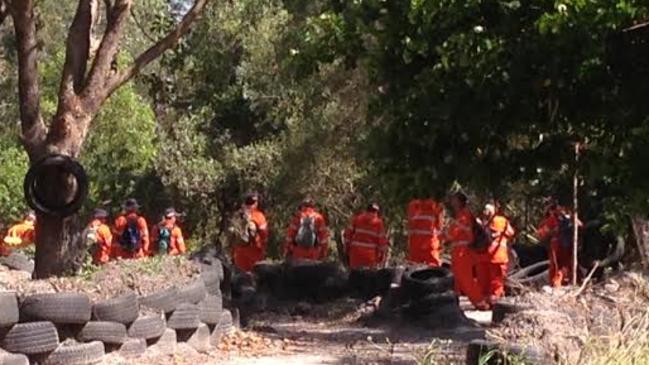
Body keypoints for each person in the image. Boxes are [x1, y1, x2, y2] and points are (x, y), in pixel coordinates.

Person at [441, 192, 490, 310]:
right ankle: (454, 302)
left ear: (459, 202)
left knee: (465, 278)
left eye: (454, 199)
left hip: (463, 252)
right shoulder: (462, 215)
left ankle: (480, 302)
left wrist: (440, 237)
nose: (452, 202)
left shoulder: (463, 216)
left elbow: (452, 234)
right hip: (459, 251)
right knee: (456, 278)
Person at [475, 203, 515, 302]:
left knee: (484, 282)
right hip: (497, 257)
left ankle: (484, 302)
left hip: (482, 257)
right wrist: (501, 233)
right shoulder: (501, 220)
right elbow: (511, 232)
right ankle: (494, 302)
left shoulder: (479, 224)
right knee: (496, 282)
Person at [537, 199, 581, 287]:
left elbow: (580, 226)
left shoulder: (570, 218)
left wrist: (573, 218)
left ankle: (571, 282)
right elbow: (541, 234)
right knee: (556, 266)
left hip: (569, 246)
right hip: (556, 246)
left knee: (569, 265)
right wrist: (553, 231)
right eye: (560, 207)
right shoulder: (552, 220)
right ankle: (555, 285)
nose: (563, 210)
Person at [230, 193, 268, 272]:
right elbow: (264, 235)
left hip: (239, 254)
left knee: (240, 279)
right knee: (255, 279)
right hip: (254, 253)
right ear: (256, 203)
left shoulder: (238, 214)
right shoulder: (259, 216)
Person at [343, 203, 389, 269]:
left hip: (355, 255)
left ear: (366, 210)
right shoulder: (379, 223)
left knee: (354, 277)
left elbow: (348, 236)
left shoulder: (357, 219)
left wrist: (346, 250)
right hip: (370, 258)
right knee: (368, 277)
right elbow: (382, 243)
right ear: (376, 212)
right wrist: (382, 256)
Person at [407, 198, 444, 266]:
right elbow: (439, 227)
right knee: (433, 271)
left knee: (414, 271)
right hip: (430, 246)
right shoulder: (435, 206)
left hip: (417, 246)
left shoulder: (413, 205)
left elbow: (410, 226)